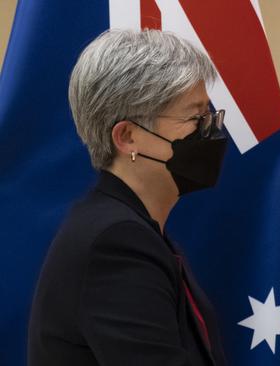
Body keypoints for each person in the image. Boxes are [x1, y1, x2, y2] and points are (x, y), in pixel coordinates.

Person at [28, 30, 228, 366]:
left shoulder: (135, 230)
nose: (211, 129)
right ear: (128, 136)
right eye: (196, 117)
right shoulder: (117, 243)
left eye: (209, 114)